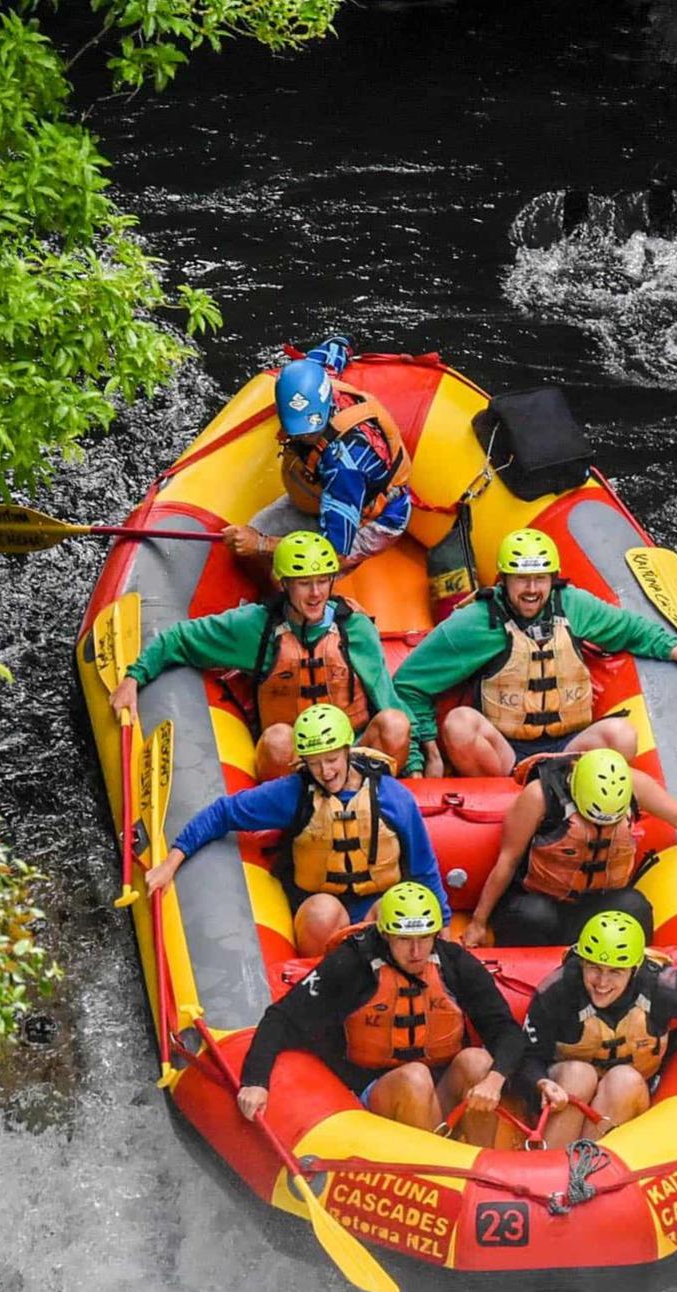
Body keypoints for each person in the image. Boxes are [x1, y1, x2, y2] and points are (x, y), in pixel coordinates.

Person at [391, 527, 677, 777]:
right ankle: (506, 797)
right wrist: (428, 752)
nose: (532, 589)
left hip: (570, 745)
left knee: (622, 734)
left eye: (540, 579)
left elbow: (632, 630)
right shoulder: (476, 621)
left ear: (553, 579)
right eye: (522, 579)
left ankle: (579, 788)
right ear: (503, 580)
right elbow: (409, 684)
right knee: (459, 724)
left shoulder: (574, 605)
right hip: (504, 753)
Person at [144, 704, 447, 958]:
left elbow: (424, 868)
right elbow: (223, 813)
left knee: (400, 909)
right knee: (322, 912)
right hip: (321, 909)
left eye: (332, 760)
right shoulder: (293, 793)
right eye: (315, 764)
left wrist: (443, 929)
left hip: (378, 907)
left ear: (348, 750)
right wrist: (171, 862)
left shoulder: (394, 797)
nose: (326, 772)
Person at [236, 882, 524, 1143]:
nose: (416, 952)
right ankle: (433, 1167)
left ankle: (483, 1162)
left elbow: (506, 1031)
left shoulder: (455, 962)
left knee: (478, 1062)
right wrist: (255, 1081)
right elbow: (282, 1017)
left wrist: (494, 1079)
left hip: (441, 1088)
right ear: (386, 934)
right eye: (404, 940)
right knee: (415, 1077)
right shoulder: (351, 963)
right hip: (377, 1092)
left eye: (424, 938)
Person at [109, 531, 410, 774]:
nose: (316, 594)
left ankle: (367, 803)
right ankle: (293, 816)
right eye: (304, 584)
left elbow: (385, 695)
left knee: (395, 724)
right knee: (278, 739)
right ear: (284, 584)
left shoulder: (355, 626)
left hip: (350, 752)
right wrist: (134, 678)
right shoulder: (256, 626)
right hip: (296, 760)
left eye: (322, 581)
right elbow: (178, 638)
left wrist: (417, 765)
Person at [462, 747, 677, 948]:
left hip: (595, 902)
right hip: (541, 900)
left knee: (634, 906)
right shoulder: (539, 797)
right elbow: (508, 860)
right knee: (533, 915)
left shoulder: (633, 784)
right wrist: (478, 922)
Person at [517, 910, 677, 1150]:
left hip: (625, 1094)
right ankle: (549, 1162)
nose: (602, 982)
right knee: (579, 1074)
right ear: (582, 963)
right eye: (594, 968)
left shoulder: (658, 985)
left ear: (633, 970)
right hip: (567, 1091)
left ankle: (586, 1164)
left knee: (624, 1080)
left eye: (615, 972)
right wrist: (541, 1082)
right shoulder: (557, 992)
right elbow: (527, 1056)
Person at [222, 334, 413, 572]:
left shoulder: (344, 468)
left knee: (305, 571)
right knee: (252, 535)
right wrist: (345, 341)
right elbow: (335, 348)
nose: (302, 437)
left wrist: (262, 544)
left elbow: (333, 551)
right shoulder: (320, 377)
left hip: (376, 520)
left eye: (309, 433)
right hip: (320, 494)